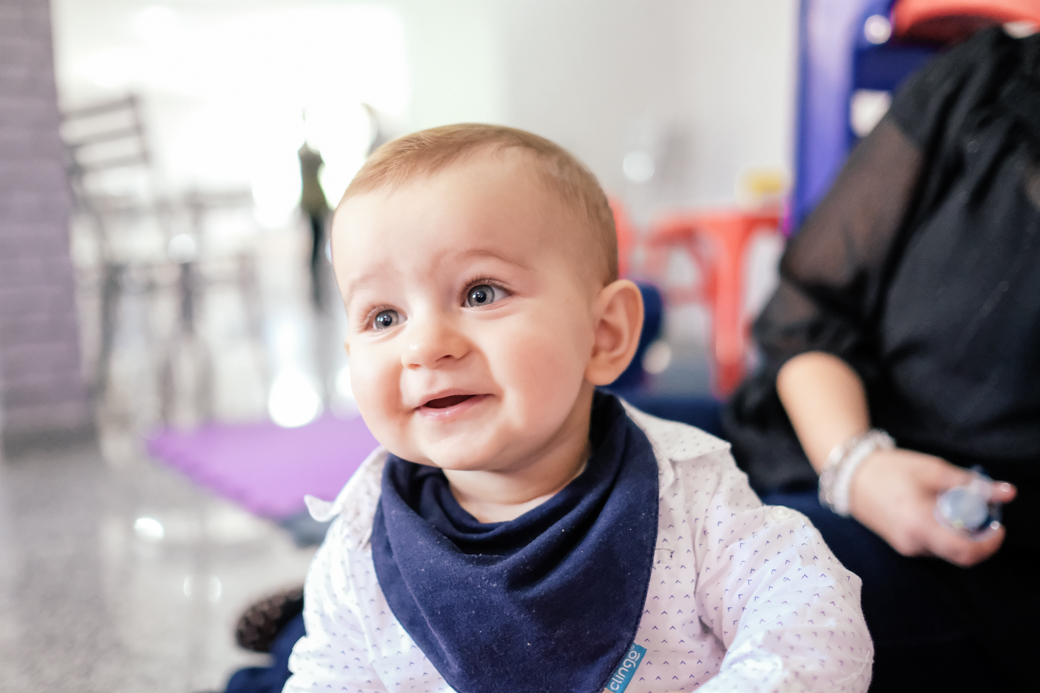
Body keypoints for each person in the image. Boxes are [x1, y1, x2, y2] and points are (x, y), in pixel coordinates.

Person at [283, 123, 872, 692]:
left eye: (480, 293)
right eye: (384, 317)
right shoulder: (362, 544)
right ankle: (288, 623)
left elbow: (813, 619)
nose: (423, 345)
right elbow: (329, 678)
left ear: (604, 335)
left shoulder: (685, 495)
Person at [723, 26, 1039, 691]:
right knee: (562, 450)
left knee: (686, 580)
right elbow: (807, 314)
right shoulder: (982, 79)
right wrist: (858, 466)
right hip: (817, 440)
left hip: (980, 563)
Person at [298, 141, 330, 309]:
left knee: (317, 251)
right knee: (315, 253)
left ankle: (319, 290)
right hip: (313, 205)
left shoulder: (306, 155)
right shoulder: (304, 155)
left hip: (316, 203)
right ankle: (316, 291)